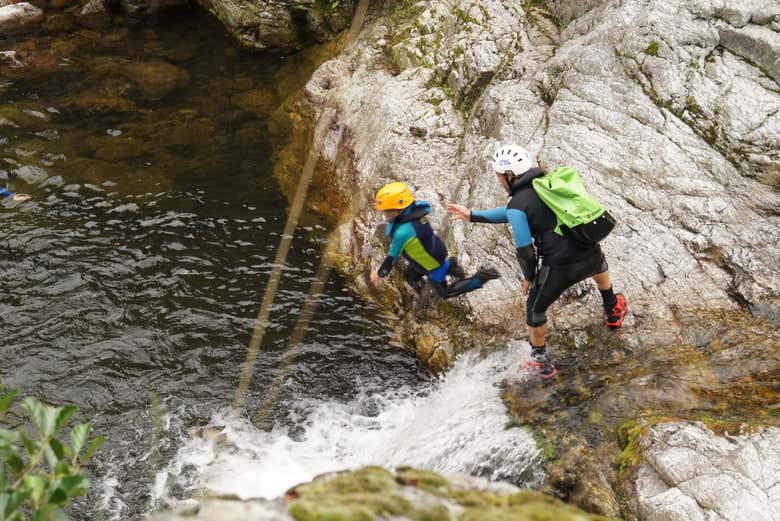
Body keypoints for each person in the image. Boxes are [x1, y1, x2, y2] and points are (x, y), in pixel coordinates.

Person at [448, 144, 628, 379]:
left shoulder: (518, 204)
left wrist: (530, 278)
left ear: (509, 175)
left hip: (559, 267)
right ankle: (613, 308)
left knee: (535, 310)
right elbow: (516, 211)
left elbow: (525, 250)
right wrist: (472, 215)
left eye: (499, 177)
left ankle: (542, 363)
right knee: (599, 263)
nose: (499, 181)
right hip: (587, 250)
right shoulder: (544, 185)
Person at [370, 181, 500, 299]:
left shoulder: (402, 233)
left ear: (396, 211)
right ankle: (450, 266)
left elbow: (391, 258)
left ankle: (480, 278)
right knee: (409, 276)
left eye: (385, 211)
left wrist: (379, 273)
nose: (384, 214)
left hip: (432, 264)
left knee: (444, 293)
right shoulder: (414, 211)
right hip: (435, 248)